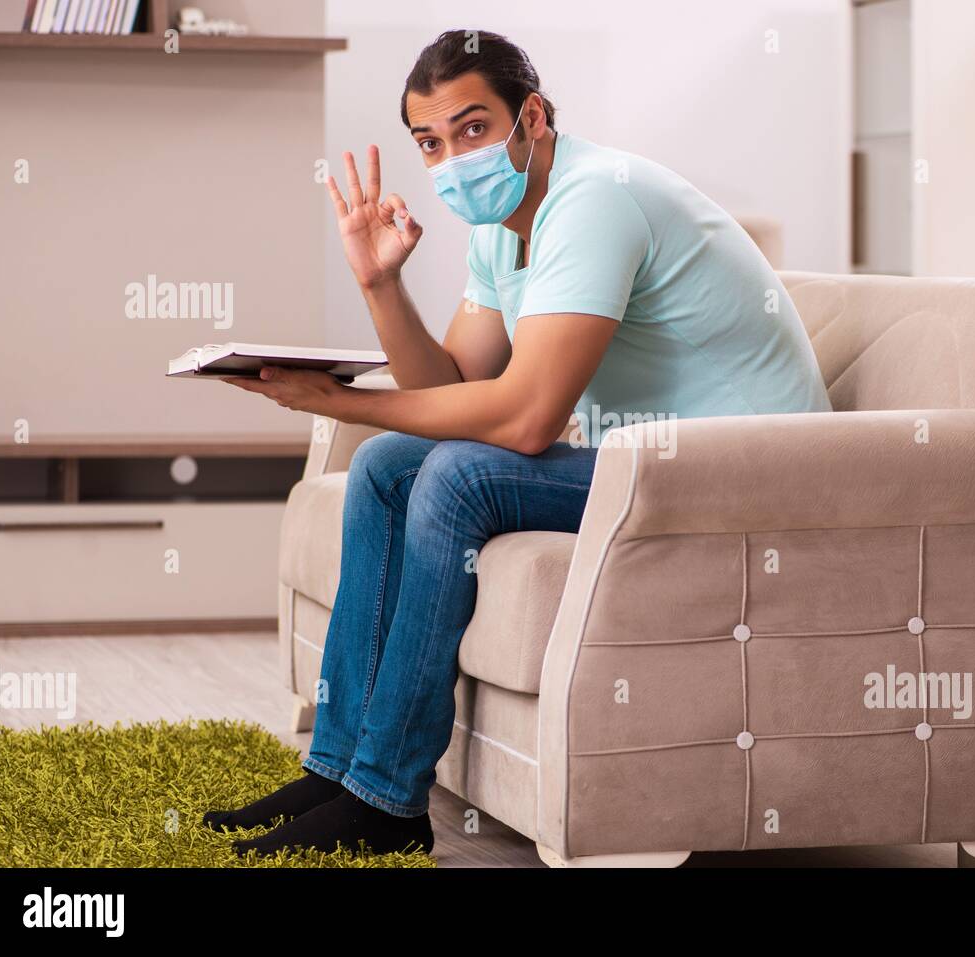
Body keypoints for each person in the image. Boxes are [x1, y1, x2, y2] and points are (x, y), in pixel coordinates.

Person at [203, 28, 830, 858]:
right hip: (646, 460)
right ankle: (341, 770)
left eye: (473, 129)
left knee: (459, 475)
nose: (454, 158)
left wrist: (346, 402)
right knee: (390, 465)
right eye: (431, 142)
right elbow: (457, 382)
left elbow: (526, 418)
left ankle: (388, 803)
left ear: (530, 116)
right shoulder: (506, 221)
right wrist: (378, 283)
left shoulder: (593, 200)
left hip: (741, 473)